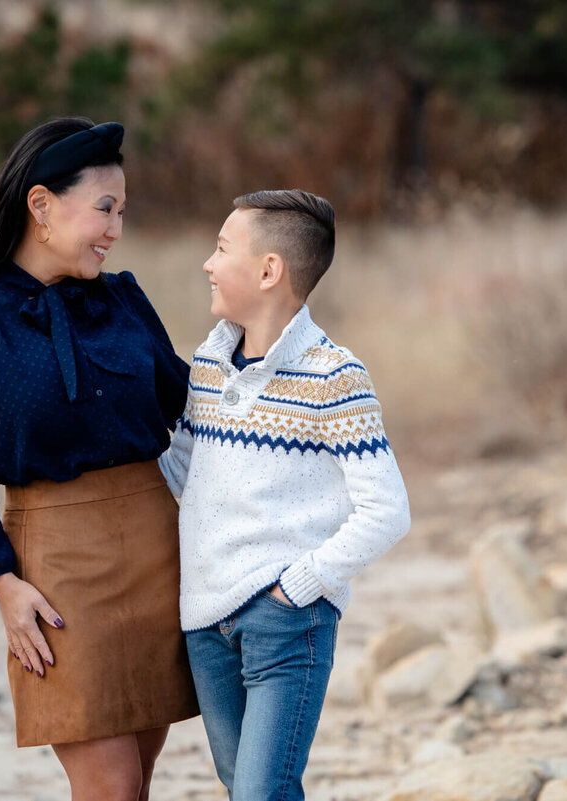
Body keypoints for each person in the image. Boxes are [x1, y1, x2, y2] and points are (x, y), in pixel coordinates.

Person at [0, 117, 197, 801]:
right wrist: (3, 586)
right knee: (109, 782)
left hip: (160, 550)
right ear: (40, 205)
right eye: (105, 208)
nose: (115, 228)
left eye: (122, 211)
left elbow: (196, 407)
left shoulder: (124, 302)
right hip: (61, 569)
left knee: (139, 777)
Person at [158, 189, 411, 800]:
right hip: (204, 621)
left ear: (269, 271)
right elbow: (181, 475)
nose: (207, 264)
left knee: (260, 794)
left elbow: (388, 510)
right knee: (242, 787)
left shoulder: (335, 376)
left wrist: (299, 587)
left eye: (222, 248)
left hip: (284, 619)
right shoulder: (209, 366)